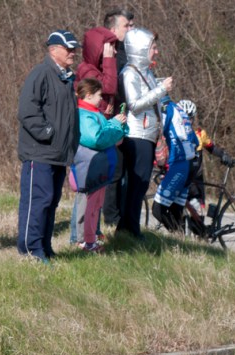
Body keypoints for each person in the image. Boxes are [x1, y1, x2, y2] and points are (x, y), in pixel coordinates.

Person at [16, 30, 80, 263]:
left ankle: (44, 246)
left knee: (51, 201)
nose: (73, 53)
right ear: (53, 50)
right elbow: (27, 111)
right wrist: (47, 133)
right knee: (38, 201)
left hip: (58, 153)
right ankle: (30, 250)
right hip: (40, 151)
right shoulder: (41, 73)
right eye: (68, 48)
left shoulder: (67, 78)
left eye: (74, 48)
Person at [117, 27, 172, 239]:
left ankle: (127, 228)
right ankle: (131, 229)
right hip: (136, 136)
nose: (156, 51)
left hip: (146, 135)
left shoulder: (146, 72)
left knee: (139, 185)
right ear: (140, 49)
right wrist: (161, 89)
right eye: (153, 48)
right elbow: (135, 105)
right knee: (137, 183)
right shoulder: (130, 73)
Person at [69, 24, 119, 246]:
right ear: (98, 49)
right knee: (86, 191)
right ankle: (79, 237)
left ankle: (91, 233)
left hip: (99, 135)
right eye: (109, 48)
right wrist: (108, 61)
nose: (114, 52)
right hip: (89, 143)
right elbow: (109, 86)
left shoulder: (93, 69)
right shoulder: (87, 69)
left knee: (95, 192)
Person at [70, 78, 128, 253]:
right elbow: (96, 139)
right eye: (99, 95)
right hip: (90, 169)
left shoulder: (95, 113)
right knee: (89, 207)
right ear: (88, 95)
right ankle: (85, 242)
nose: (101, 99)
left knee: (95, 206)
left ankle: (89, 240)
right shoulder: (84, 115)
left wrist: (119, 126)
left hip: (99, 168)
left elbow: (114, 139)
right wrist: (114, 124)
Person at [176, 99, 233, 235]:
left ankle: (201, 236)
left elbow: (212, 148)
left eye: (190, 118)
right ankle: (182, 234)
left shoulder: (199, 134)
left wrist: (223, 155)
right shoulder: (175, 133)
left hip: (197, 179)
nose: (187, 121)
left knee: (198, 208)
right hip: (182, 176)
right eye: (184, 117)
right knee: (180, 206)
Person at [101, 8, 135, 227]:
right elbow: (111, 89)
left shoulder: (129, 53)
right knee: (114, 172)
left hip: (129, 122)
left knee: (125, 173)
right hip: (113, 121)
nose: (131, 29)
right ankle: (111, 220)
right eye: (126, 26)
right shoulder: (109, 55)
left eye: (132, 25)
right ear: (113, 30)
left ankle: (123, 219)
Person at [150, 97, 198, 231]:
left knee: (157, 210)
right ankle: (181, 240)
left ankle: (178, 238)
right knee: (175, 212)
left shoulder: (166, 108)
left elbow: (156, 129)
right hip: (188, 165)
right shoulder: (180, 111)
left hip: (178, 165)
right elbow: (195, 142)